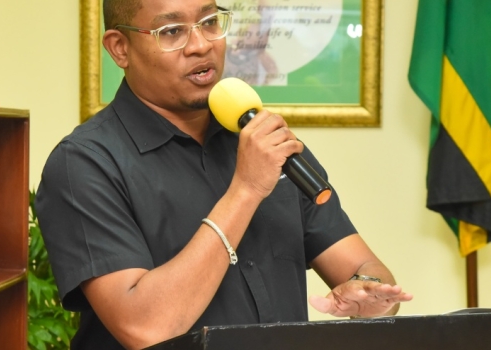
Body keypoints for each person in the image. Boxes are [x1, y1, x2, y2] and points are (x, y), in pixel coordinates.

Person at [36, 0, 413, 349]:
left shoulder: (262, 141)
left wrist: (372, 295)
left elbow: (363, 267)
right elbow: (145, 328)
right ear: (120, 48)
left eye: (210, 22)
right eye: (172, 32)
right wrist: (246, 189)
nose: (201, 45)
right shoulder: (84, 164)